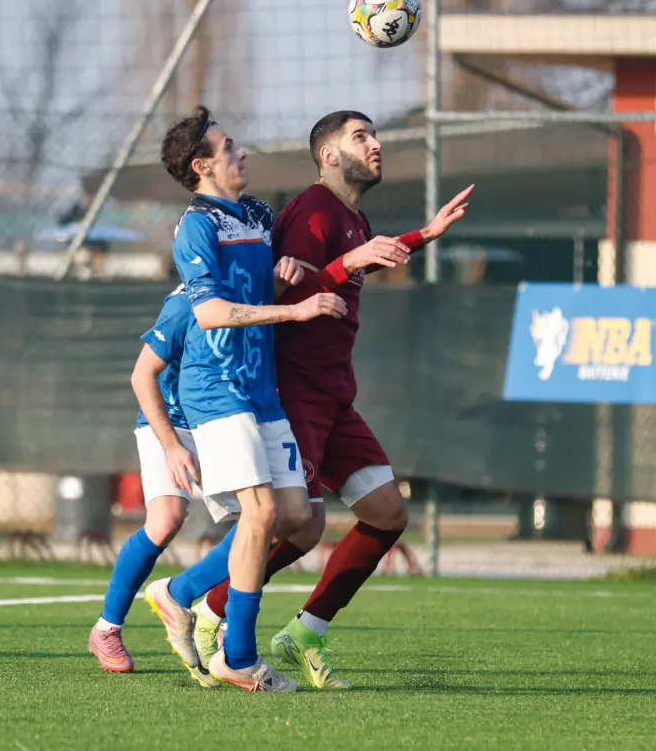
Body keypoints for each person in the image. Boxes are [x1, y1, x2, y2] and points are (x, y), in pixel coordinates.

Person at [190, 110, 472, 689]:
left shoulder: (353, 216)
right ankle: (207, 606)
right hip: (296, 392)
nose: (376, 145)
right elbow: (286, 299)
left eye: (375, 135)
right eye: (360, 137)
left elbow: (353, 264)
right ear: (327, 155)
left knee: (387, 513)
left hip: (336, 395)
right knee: (291, 526)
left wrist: (425, 234)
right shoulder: (311, 213)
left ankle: (304, 632)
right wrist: (351, 262)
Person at [144, 105, 346, 692]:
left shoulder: (258, 213)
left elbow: (252, 290)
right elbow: (209, 313)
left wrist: (280, 281)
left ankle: (180, 593)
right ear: (202, 165)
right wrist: (295, 307)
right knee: (259, 514)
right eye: (230, 147)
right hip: (216, 391)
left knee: (296, 518)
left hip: (261, 390)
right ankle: (238, 655)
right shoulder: (196, 226)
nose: (243, 153)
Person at [86, 285, 238, 687]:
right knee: (167, 518)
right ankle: (106, 628)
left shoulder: (253, 287)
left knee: (266, 522)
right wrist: (171, 446)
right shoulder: (186, 299)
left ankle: (214, 613)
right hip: (171, 423)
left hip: (222, 418)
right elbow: (142, 376)